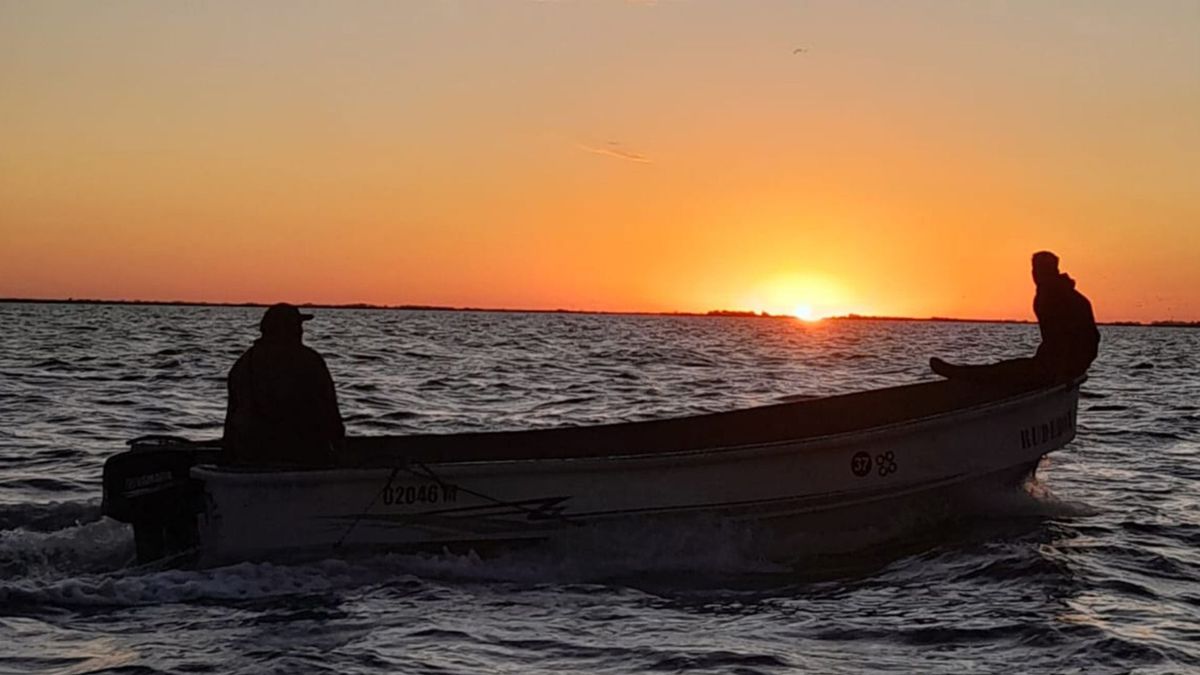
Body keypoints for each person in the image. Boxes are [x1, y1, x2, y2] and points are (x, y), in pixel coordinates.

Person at [930, 251, 1100, 386]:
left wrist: (1064, 374)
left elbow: (1065, 337)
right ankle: (961, 373)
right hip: (1061, 364)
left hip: (1058, 368)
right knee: (1010, 369)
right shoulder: (1064, 293)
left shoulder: (1053, 296)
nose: (1035, 274)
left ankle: (960, 374)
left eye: (1038, 270)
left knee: (1001, 372)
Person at [223, 303, 345, 465]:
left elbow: (231, 419)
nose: (301, 331)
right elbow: (330, 411)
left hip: (251, 453)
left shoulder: (244, 364)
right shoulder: (309, 361)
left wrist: (229, 456)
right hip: (303, 452)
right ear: (289, 330)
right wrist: (339, 448)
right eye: (297, 326)